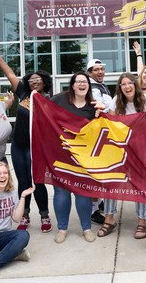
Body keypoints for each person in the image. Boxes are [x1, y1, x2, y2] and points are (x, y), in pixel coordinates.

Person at [0, 45, 52, 232]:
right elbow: (10, 74)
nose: (34, 81)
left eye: (38, 79)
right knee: (23, 181)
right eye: (31, 79)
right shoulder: (23, 94)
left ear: (44, 83)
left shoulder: (49, 101)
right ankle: (24, 215)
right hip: (18, 146)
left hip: (37, 148)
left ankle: (44, 215)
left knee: (39, 181)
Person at [98, 72, 146, 240]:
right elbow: (108, 123)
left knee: (141, 183)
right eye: (123, 84)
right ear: (120, 87)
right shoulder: (116, 101)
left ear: (135, 84)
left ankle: (141, 221)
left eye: (129, 83)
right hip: (120, 149)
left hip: (141, 149)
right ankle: (109, 219)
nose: (126, 86)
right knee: (112, 181)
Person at [50, 72, 104, 244]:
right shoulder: (59, 100)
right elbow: (44, 112)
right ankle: (62, 229)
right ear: (72, 85)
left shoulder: (93, 106)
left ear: (88, 85)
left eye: (85, 82)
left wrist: (101, 113)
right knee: (61, 192)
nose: (82, 84)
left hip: (83, 157)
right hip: (61, 154)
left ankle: (86, 228)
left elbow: (101, 128)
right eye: (78, 81)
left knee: (83, 192)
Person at [86, 58, 111, 225]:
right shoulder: (92, 87)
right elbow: (100, 107)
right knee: (96, 174)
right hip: (95, 136)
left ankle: (98, 202)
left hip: (103, 134)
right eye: (96, 69)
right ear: (90, 73)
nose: (100, 72)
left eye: (102, 69)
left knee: (102, 173)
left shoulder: (102, 85)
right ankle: (93, 210)